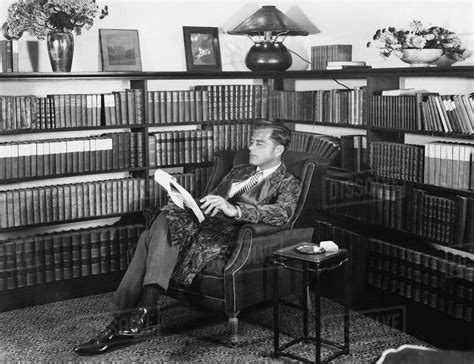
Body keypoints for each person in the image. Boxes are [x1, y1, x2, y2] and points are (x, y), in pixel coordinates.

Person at [74, 122, 302, 356]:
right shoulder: (239, 171)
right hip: (204, 224)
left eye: (259, 143)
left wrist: (236, 211)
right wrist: (187, 201)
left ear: (278, 150)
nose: (251, 147)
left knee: (148, 236)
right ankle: (144, 311)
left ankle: (126, 319)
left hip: (229, 235)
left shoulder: (288, 183)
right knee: (166, 214)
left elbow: (282, 214)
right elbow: (210, 199)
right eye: (251, 142)